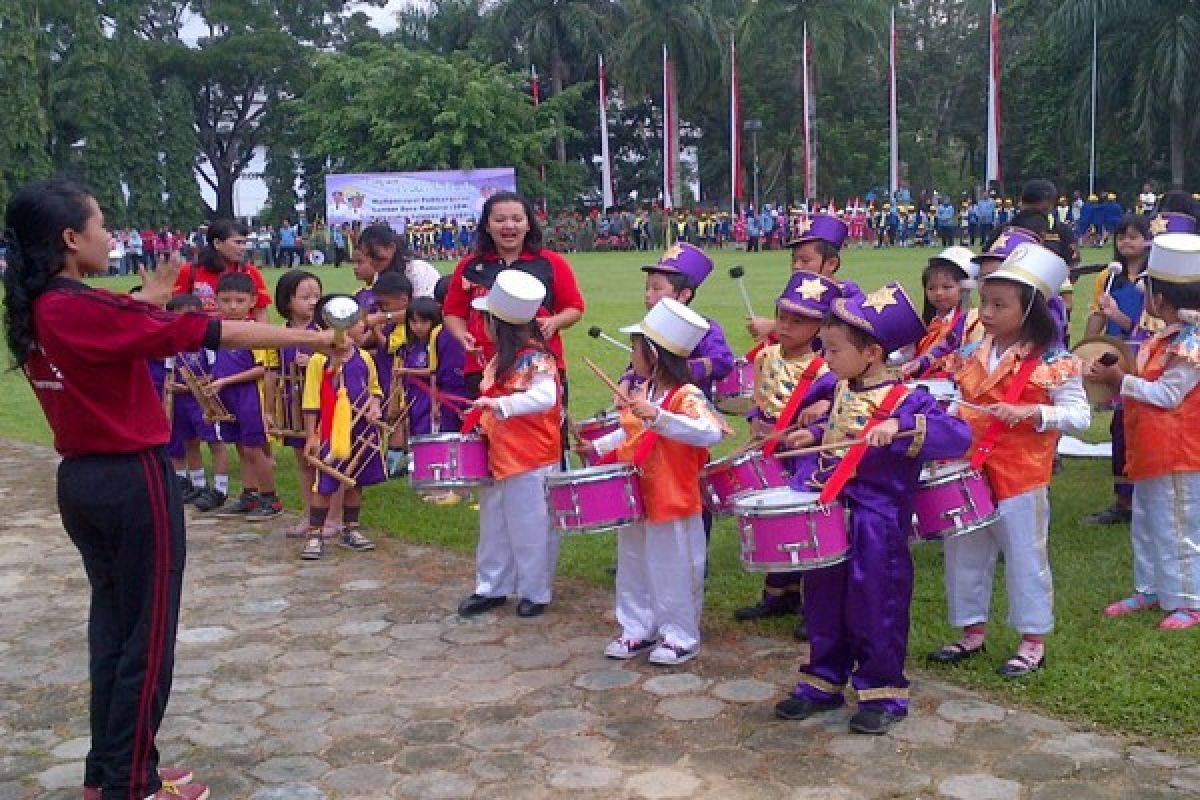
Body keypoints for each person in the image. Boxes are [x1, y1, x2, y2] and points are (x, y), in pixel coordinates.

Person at [2, 179, 336, 800]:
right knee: (148, 644)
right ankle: (133, 785)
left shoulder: (46, 307)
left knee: (115, 635)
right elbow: (219, 334)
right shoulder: (84, 310)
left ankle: (111, 776)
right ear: (72, 240)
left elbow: (130, 316)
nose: (109, 235)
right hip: (132, 481)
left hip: (82, 481)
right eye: (100, 225)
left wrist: (150, 295)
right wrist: (318, 338)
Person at [773, 283, 972, 734]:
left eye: (835, 350)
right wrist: (817, 431)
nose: (827, 359)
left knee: (875, 603)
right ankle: (823, 679)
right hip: (830, 510)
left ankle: (883, 690)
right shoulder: (844, 388)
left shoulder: (908, 399)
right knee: (823, 599)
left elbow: (958, 437)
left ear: (872, 353)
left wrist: (901, 428)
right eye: (824, 348)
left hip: (876, 521)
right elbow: (844, 426)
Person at [930, 244, 1090, 677]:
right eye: (985, 302)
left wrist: (1033, 412)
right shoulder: (972, 352)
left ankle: (1032, 640)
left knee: (1024, 555)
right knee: (964, 550)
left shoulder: (1054, 361)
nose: (988, 312)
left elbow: (1079, 416)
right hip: (967, 469)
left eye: (1001, 305)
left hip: (1021, 475)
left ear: (1031, 310)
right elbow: (954, 397)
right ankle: (971, 632)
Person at [584, 298, 729, 665]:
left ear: (654, 353)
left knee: (675, 567)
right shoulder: (643, 390)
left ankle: (680, 634)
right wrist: (596, 445)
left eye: (636, 347)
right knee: (632, 563)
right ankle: (636, 627)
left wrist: (662, 417)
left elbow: (711, 432)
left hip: (673, 496)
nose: (632, 354)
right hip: (637, 494)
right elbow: (629, 432)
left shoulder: (687, 395)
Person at [1090, 233, 1200, 630]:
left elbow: (1169, 395)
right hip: (1151, 447)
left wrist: (1121, 380)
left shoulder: (1192, 344)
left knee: (1179, 525)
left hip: (1180, 452)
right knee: (1148, 520)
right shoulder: (1165, 337)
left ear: (1162, 301)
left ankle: (1189, 598)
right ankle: (1151, 586)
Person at [733, 271, 840, 632]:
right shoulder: (766, 356)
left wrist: (812, 430)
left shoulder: (828, 369)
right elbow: (759, 400)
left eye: (800, 321)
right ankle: (778, 592)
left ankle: (814, 604)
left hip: (806, 458)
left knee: (802, 521)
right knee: (772, 517)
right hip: (770, 453)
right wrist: (755, 422)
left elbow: (838, 415)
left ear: (820, 328)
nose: (787, 326)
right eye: (783, 317)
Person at [456, 271, 563, 618]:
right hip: (498, 453)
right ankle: (492, 586)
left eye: (484, 319)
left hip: (531, 455)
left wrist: (501, 405)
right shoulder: (498, 358)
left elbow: (545, 397)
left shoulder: (537, 359)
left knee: (531, 524)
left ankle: (535, 590)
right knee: (494, 523)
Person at [443, 191, 585, 402]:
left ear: (528, 224)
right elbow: (452, 312)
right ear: (487, 226)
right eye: (500, 220)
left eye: (517, 219)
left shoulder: (551, 262)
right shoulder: (469, 266)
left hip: (539, 366)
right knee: (488, 428)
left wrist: (555, 322)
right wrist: (462, 335)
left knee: (542, 431)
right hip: (483, 367)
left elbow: (574, 307)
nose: (509, 226)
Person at [298, 294, 387, 560]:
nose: (361, 328)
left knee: (356, 481)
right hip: (329, 430)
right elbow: (311, 400)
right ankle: (315, 533)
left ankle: (351, 528)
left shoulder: (364, 358)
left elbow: (375, 389)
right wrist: (311, 435)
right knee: (323, 484)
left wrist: (374, 404)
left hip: (361, 429)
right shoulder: (319, 360)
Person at [263, 270, 346, 538]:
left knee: (329, 461)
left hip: (323, 406)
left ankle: (334, 517)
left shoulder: (325, 331)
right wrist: (269, 409)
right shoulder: (278, 334)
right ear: (287, 301)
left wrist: (314, 359)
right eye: (305, 297)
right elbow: (271, 371)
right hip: (291, 406)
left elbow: (343, 363)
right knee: (303, 462)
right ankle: (311, 516)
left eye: (317, 296)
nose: (312, 302)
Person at [1080, 215, 1152, 525]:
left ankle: (1135, 500)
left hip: (1142, 357)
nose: (1126, 242)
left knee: (1132, 427)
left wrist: (1117, 314)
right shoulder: (1109, 278)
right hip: (1114, 354)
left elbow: (1145, 329)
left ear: (1148, 240)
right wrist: (1086, 347)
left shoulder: (1154, 280)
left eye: (1134, 236)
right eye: (1121, 237)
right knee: (1120, 428)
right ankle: (1125, 499)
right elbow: (1097, 316)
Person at [207, 272, 283, 519]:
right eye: (226, 300)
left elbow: (264, 369)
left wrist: (226, 380)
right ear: (215, 301)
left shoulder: (256, 332)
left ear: (252, 302)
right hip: (228, 395)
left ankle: (270, 498)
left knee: (254, 448)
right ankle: (250, 494)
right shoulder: (220, 332)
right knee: (240, 448)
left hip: (251, 396)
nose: (232, 306)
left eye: (239, 301)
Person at [746, 214, 862, 344]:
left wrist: (774, 326)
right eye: (794, 260)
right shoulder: (794, 289)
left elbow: (846, 333)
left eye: (805, 260)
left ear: (831, 264)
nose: (796, 266)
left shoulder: (849, 295)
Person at [901, 247, 981, 379]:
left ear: (964, 289)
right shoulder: (928, 324)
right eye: (931, 288)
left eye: (947, 287)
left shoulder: (971, 323)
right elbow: (907, 353)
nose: (938, 293)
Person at [172, 220, 271, 320]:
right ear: (217, 243)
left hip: (243, 334)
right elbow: (176, 311)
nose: (243, 248)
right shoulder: (189, 271)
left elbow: (261, 312)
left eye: (244, 243)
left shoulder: (250, 272)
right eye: (238, 242)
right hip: (203, 333)